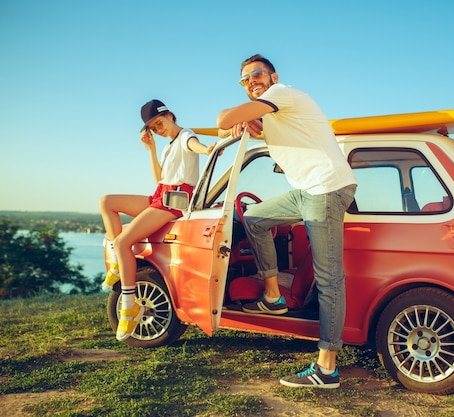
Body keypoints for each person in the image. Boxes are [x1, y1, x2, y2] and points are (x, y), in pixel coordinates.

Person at [216, 54, 357, 389]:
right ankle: (273, 296)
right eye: (245, 79)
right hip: (307, 191)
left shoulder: (282, 94)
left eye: (257, 74)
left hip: (325, 189)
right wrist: (252, 125)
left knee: (329, 279)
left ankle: (327, 368)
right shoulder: (274, 112)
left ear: (273, 76)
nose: (251, 81)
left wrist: (237, 118)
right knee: (254, 217)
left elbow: (223, 118)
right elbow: (268, 128)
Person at [100, 99, 217, 341]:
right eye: (153, 127)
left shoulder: (185, 135)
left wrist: (208, 150)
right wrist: (151, 149)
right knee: (107, 201)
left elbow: (194, 145)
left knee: (124, 243)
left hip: (174, 201)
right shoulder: (167, 146)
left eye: (159, 123)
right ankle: (117, 265)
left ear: (170, 116)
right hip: (160, 195)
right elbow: (159, 178)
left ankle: (129, 305)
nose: (158, 129)